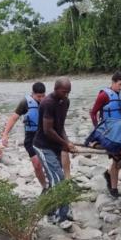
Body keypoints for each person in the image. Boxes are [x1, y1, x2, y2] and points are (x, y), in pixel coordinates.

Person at [33, 77, 77, 223]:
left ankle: (49, 211)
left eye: (68, 92)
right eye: (64, 92)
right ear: (56, 89)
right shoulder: (47, 103)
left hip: (55, 145)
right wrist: (65, 143)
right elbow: (48, 130)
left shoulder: (65, 101)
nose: (66, 95)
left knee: (55, 178)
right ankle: (61, 216)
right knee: (58, 178)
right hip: (43, 146)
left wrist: (67, 143)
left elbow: (60, 126)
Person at [1, 82, 48, 192]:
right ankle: (45, 187)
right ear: (33, 94)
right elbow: (13, 118)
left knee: (48, 163)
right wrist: (5, 135)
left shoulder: (48, 101)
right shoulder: (25, 103)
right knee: (36, 164)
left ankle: (55, 183)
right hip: (31, 137)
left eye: (43, 96)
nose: (41, 99)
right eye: (38, 96)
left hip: (45, 136)